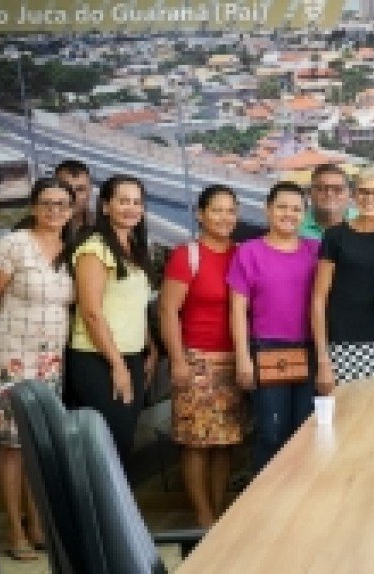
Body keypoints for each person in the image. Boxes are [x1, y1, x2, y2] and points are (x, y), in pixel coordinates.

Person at [0, 177, 75, 560]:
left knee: (37, 442)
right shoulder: (13, 244)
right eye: (46, 203)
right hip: (11, 356)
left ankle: (38, 525)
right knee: (12, 445)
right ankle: (14, 529)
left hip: (50, 360)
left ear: (71, 211)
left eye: (61, 204)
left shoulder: (70, 249)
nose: (54, 210)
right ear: (33, 207)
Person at [158, 184, 243, 527]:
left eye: (230, 211)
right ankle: (203, 515)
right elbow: (167, 310)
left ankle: (219, 511)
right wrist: (178, 361)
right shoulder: (187, 255)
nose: (224, 217)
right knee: (196, 442)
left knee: (225, 442)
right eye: (217, 210)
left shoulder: (242, 254)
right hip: (196, 360)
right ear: (200, 214)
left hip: (233, 360)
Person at [64, 174, 158, 465]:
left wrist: (150, 349)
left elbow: (135, 306)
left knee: (123, 442)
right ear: (105, 206)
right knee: (109, 447)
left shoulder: (134, 248)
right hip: (98, 358)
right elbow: (91, 311)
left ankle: (117, 497)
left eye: (137, 202)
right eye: (123, 201)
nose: (131, 208)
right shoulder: (95, 247)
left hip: (131, 356)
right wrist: (117, 365)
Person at [227, 181, 319, 471]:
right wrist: (243, 358)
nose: (289, 214)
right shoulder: (249, 252)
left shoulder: (315, 251)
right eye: (282, 207)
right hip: (267, 349)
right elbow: (237, 309)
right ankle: (267, 495)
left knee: (306, 431)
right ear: (268, 210)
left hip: (309, 349)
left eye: (296, 209)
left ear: (304, 214)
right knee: (271, 432)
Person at [311, 168, 374, 390]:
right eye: (364, 191)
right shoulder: (335, 236)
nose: (370, 198)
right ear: (354, 195)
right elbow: (318, 299)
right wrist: (323, 360)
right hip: (341, 346)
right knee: (346, 411)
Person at [299, 163, 356, 240]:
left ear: (350, 193)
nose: (329, 194)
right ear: (309, 192)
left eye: (338, 189)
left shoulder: (366, 221)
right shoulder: (295, 225)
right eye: (321, 188)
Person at [54, 159, 93, 237]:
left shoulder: (102, 227)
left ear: (89, 192)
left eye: (80, 189)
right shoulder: (35, 225)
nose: (73, 195)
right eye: (66, 188)